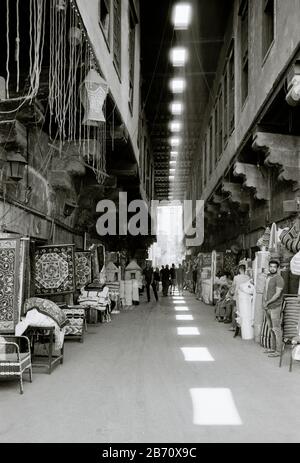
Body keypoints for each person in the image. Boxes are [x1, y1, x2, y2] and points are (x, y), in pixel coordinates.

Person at [263, 258, 284, 357]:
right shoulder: (268, 277)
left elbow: (277, 294)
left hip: (275, 307)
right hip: (267, 306)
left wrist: (267, 303)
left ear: (277, 268)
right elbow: (265, 290)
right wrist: (264, 302)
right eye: (270, 267)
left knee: (276, 329)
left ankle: (278, 351)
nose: (272, 268)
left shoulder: (279, 278)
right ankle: (272, 348)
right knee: (271, 328)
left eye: (274, 267)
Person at [229, 265, 250, 334]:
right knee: (243, 312)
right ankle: (242, 327)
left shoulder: (236, 277)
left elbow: (233, 287)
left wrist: (230, 293)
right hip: (245, 297)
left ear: (240, 269)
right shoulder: (248, 277)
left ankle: (233, 326)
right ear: (245, 269)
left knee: (235, 311)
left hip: (237, 296)